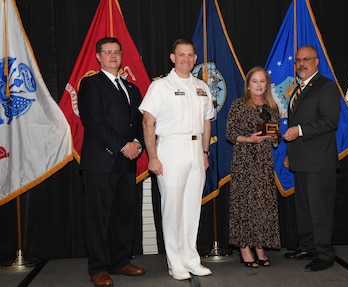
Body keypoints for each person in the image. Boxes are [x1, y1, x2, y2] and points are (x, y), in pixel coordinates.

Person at [139, 38, 214, 280]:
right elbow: (147, 122)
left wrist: (204, 153)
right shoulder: (160, 86)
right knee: (172, 209)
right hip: (170, 148)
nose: (186, 59)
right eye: (181, 55)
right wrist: (152, 157)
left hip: (195, 149)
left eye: (191, 55)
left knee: (192, 208)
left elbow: (206, 122)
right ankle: (175, 262)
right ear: (173, 58)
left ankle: (191, 259)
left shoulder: (202, 86)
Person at [78, 37, 146, 287]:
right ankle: (98, 267)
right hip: (100, 163)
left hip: (126, 163)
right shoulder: (90, 84)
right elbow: (94, 122)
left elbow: (140, 123)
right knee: (99, 218)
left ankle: (120, 261)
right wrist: (121, 145)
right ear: (98, 56)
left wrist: (137, 144)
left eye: (116, 52)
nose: (113, 56)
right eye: (107, 52)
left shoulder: (131, 89)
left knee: (123, 215)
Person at [282, 45, 340, 271]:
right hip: (301, 160)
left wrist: (300, 130)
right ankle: (308, 247)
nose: (301, 64)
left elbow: (329, 122)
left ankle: (325, 254)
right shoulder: (299, 89)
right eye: (297, 60)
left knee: (320, 210)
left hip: (319, 162)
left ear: (317, 62)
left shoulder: (326, 87)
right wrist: (289, 154)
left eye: (306, 59)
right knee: (304, 209)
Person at [226, 66, 281, 268]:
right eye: (255, 81)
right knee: (245, 205)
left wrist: (275, 137)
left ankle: (260, 246)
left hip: (265, 162)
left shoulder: (272, 107)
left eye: (262, 81)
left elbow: (277, 136)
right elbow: (230, 134)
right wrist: (249, 139)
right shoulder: (238, 105)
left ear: (267, 85)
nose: (259, 85)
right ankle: (244, 247)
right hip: (244, 161)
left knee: (263, 206)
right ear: (248, 85)